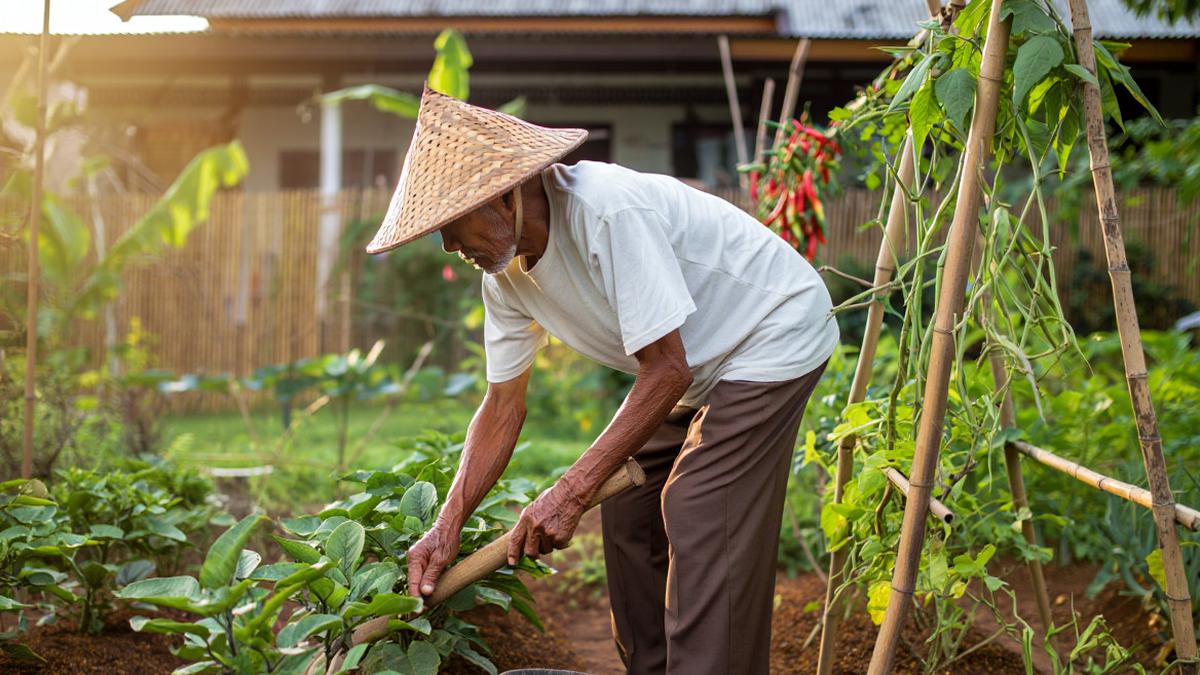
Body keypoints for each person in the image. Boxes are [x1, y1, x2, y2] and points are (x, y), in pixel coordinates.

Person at [365, 86, 839, 675]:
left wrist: (568, 491)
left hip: (772, 330)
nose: (447, 245)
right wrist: (447, 524)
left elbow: (667, 368)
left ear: (504, 195)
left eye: (451, 224)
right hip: (698, 362)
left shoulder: (605, 211)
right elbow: (502, 407)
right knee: (629, 503)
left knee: (700, 505)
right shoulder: (504, 281)